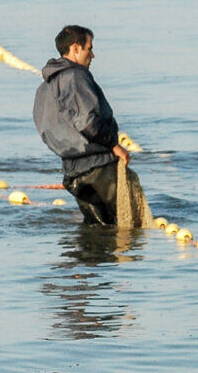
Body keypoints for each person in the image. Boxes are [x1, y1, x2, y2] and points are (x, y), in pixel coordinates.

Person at [32, 25, 131, 224]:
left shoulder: (46, 86)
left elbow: (45, 128)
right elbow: (88, 122)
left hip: (72, 171)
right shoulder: (75, 76)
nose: (92, 55)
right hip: (98, 167)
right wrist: (114, 146)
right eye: (89, 48)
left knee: (96, 227)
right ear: (76, 48)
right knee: (124, 223)